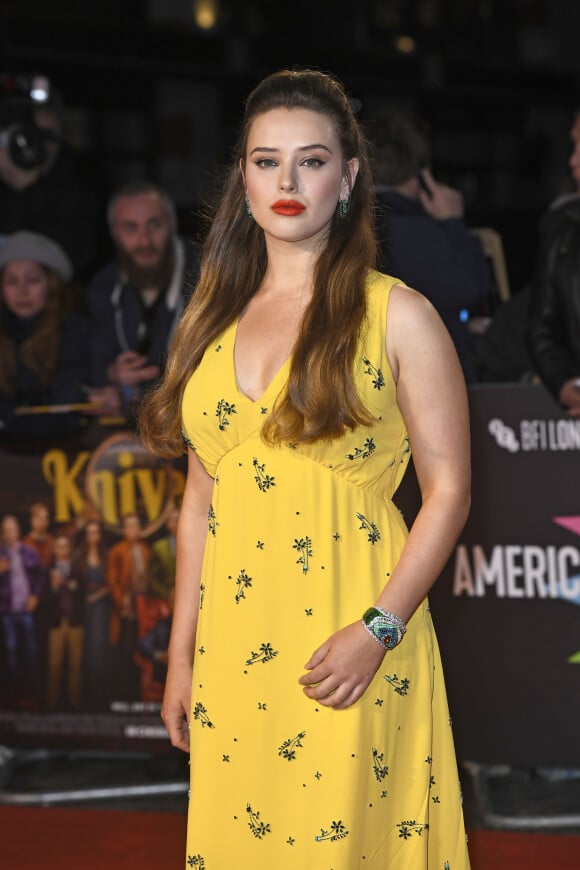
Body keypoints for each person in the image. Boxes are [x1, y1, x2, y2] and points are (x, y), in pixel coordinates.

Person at [139, 69, 471, 869]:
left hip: (350, 640)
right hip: (235, 648)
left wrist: (378, 630)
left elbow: (451, 491)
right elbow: (198, 507)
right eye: (265, 161)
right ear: (242, 180)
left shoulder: (398, 314)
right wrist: (182, 657)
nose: (287, 182)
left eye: (312, 161)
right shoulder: (208, 322)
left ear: (350, 177)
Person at [373, 111, 490, 381]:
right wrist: (452, 223)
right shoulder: (425, 234)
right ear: (421, 175)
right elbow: (471, 288)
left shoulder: (343, 227)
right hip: (430, 380)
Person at [86, 180, 200, 414]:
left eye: (154, 225)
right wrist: (112, 375)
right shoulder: (102, 288)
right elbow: (87, 360)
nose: (144, 240)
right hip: (132, 429)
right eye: (130, 228)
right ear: (114, 233)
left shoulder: (211, 275)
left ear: (172, 223)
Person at [0, 72, 98, 278]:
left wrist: (26, 186)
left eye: (47, 134)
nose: (36, 143)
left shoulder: (84, 182)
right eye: (26, 133)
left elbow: (75, 259)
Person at [0, 230, 95, 436]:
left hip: (63, 447)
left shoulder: (75, 332)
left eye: (33, 280)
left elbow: (69, 401)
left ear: (51, 285)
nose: (22, 291)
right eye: (11, 281)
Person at [526, 111, 580, 415]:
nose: (572, 161)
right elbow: (541, 326)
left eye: (578, 147)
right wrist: (563, 383)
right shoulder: (563, 230)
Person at [0, 513, 46, 706]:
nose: (11, 533)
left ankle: (36, 694)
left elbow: (41, 575)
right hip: (7, 611)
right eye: (7, 530)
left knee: (32, 651)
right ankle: (17, 695)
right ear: (3, 534)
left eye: (14, 529)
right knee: (11, 652)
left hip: (26, 611)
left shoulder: (28, 552)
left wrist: (35, 595)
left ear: (18, 531)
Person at [107, 512, 152, 700]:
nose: (132, 530)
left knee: (140, 649)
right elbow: (112, 580)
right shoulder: (117, 550)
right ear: (124, 529)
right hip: (125, 609)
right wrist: (121, 600)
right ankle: (122, 694)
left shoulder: (145, 550)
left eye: (135, 526)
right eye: (129, 526)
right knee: (124, 650)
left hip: (142, 607)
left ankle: (138, 692)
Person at [72, 520, 111, 710]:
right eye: (90, 532)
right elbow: (75, 582)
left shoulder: (106, 555)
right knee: (85, 650)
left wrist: (98, 595)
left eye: (96, 532)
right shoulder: (79, 556)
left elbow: (111, 582)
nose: (93, 536)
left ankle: (101, 697)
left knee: (100, 649)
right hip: (84, 607)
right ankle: (85, 698)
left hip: (102, 607)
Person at [46, 533, 84, 710]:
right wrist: (53, 586)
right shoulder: (48, 569)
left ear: (69, 549)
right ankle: (53, 703)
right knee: (54, 664)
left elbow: (83, 594)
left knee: (75, 665)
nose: (62, 549)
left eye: (65, 546)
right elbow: (43, 599)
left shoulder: (77, 568)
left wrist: (70, 584)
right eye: (58, 546)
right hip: (56, 622)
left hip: (75, 622)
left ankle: (75, 703)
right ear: (54, 550)